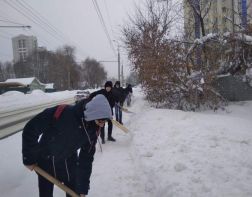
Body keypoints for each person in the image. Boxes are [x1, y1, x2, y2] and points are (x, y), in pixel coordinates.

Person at [22, 94, 112, 197]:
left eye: (105, 121)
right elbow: (30, 129)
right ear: (92, 114)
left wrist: (82, 188)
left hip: (69, 163)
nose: (102, 125)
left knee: (74, 193)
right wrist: (29, 158)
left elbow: (86, 159)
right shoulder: (62, 112)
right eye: (101, 121)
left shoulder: (93, 131)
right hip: (46, 161)